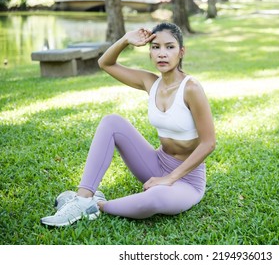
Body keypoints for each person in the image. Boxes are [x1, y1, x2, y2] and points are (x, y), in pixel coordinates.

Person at [41, 22, 216, 227]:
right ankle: (82, 198)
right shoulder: (150, 82)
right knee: (111, 122)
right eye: (155, 47)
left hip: (187, 180)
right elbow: (105, 63)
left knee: (155, 198)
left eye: (170, 47)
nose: (162, 53)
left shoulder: (191, 88)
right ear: (149, 52)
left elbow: (209, 143)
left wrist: (170, 179)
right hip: (156, 164)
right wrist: (126, 39)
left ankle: (97, 205)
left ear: (181, 52)